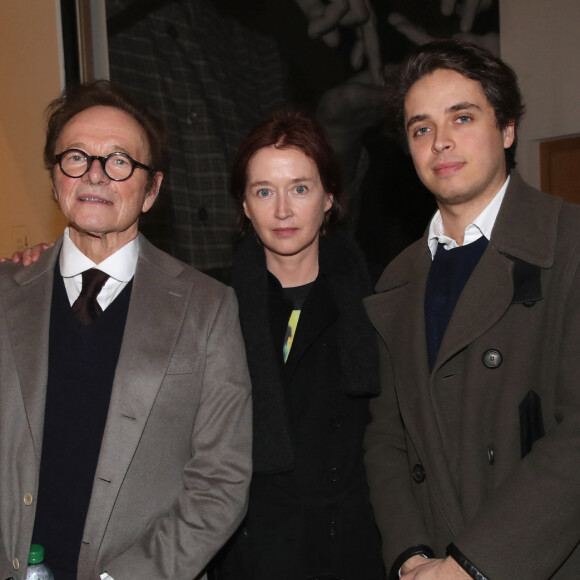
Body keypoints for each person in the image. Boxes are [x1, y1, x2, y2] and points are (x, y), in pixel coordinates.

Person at [0, 80, 252, 580]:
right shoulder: (7, 292)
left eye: (119, 162)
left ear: (152, 189)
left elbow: (220, 483)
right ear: (55, 178)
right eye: (76, 157)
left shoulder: (207, 307)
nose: (95, 176)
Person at [363, 39, 580, 580]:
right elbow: (388, 437)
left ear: (506, 129)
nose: (440, 142)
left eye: (462, 117)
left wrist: (472, 566)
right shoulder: (398, 278)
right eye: (421, 128)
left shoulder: (571, 244)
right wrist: (412, 556)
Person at [215, 110, 385, 579]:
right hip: (253, 551)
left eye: (300, 188)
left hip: (353, 547)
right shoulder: (213, 308)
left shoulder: (377, 299)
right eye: (264, 191)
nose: (283, 210)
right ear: (245, 206)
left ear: (329, 197)